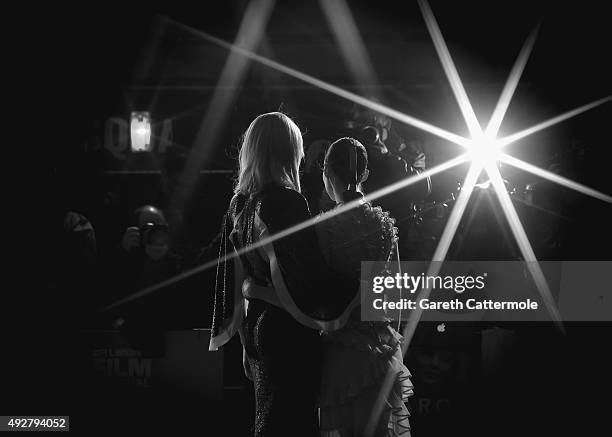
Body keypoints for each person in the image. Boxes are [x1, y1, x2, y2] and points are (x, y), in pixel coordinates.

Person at [246, 137, 414, 437]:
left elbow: (311, 294)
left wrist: (255, 291)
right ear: (364, 175)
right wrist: (390, 345)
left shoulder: (322, 228)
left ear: (326, 174)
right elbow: (394, 298)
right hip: (380, 351)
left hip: (337, 353)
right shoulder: (385, 226)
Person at [209, 112, 358, 437]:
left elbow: (239, 279)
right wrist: (359, 288)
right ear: (287, 151)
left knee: (269, 424)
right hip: (287, 333)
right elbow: (306, 279)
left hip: (257, 328)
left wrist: (248, 334)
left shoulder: (239, 203)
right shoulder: (286, 202)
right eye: (298, 147)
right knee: (292, 425)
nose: (303, 156)